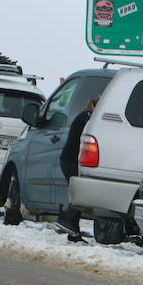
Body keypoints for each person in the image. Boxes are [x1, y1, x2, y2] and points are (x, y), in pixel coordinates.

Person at [56, 98, 98, 241]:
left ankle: (73, 232)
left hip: (69, 160)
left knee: (79, 193)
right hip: (71, 161)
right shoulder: (88, 119)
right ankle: (67, 219)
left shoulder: (85, 116)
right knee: (82, 193)